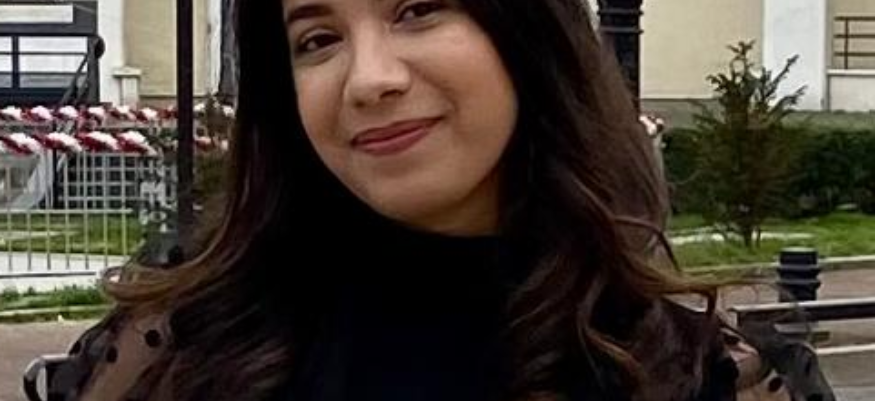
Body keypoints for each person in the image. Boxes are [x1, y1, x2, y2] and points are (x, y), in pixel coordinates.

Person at [43, 0, 833, 400]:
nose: (369, 79)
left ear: (524, 32)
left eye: (418, 8)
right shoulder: (177, 347)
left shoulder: (694, 376)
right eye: (317, 38)